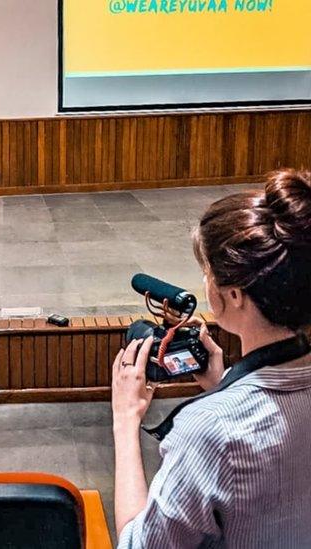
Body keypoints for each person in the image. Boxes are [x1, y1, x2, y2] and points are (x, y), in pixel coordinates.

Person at [112, 169, 311, 547]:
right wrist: (224, 386)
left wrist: (125, 419)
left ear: (234, 295)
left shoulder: (209, 430)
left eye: (207, 271)